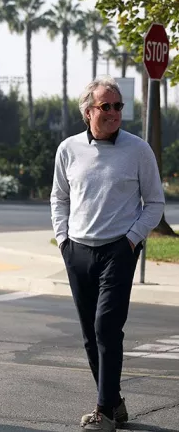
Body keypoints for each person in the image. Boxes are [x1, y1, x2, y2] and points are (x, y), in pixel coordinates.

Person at [50, 75, 165, 432]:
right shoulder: (68, 149)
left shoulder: (138, 150)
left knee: (107, 327)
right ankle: (115, 402)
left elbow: (155, 202)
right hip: (78, 250)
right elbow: (59, 197)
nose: (114, 112)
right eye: (106, 106)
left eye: (118, 106)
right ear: (88, 112)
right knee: (89, 333)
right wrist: (63, 239)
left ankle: (103, 411)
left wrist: (131, 240)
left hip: (119, 249)